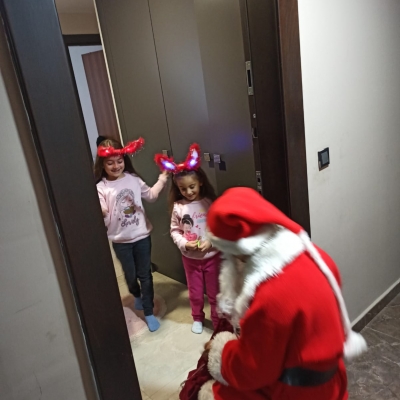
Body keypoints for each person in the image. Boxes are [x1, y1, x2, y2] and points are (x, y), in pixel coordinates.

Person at [196, 187, 367, 400]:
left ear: (237, 252)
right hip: (332, 382)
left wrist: (222, 354)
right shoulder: (316, 256)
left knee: (211, 393)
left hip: (297, 393)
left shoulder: (269, 296)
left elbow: (254, 370)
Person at [95, 137, 168, 332]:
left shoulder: (133, 179)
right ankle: (136, 294)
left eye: (119, 161)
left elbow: (151, 196)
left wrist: (163, 178)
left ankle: (149, 312)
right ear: (102, 164)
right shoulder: (101, 187)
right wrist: (101, 210)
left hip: (142, 236)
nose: (116, 166)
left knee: (145, 275)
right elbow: (102, 210)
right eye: (110, 163)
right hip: (120, 241)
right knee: (130, 275)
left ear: (124, 160)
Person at [155, 144, 219, 334]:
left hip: (212, 257)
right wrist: (184, 243)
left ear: (200, 182)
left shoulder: (210, 203)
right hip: (191, 260)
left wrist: (211, 241)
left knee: (215, 293)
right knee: (195, 292)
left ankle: (218, 320)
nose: (188, 192)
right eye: (183, 189)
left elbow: (218, 227)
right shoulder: (178, 207)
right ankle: (197, 317)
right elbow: (175, 231)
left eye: (192, 187)